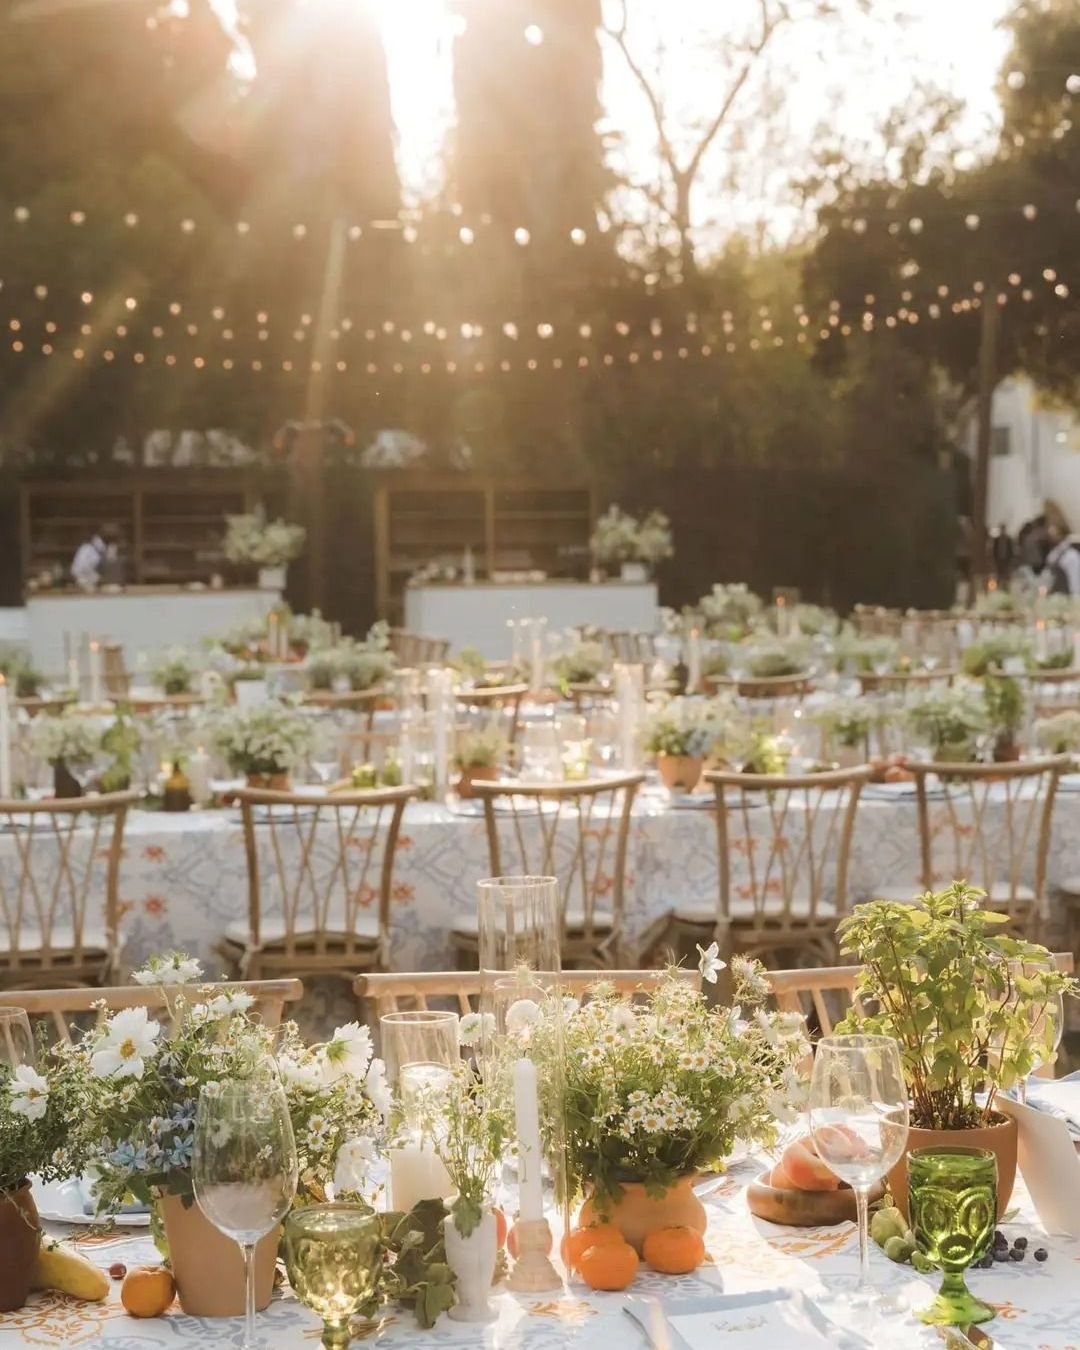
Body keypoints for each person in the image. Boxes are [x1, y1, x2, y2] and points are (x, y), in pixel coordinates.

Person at [1041, 521, 1080, 595]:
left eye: (1054, 534)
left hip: (1068, 594)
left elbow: (1075, 582)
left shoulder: (1070, 555)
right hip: (1059, 594)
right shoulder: (1054, 554)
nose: (1051, 538)